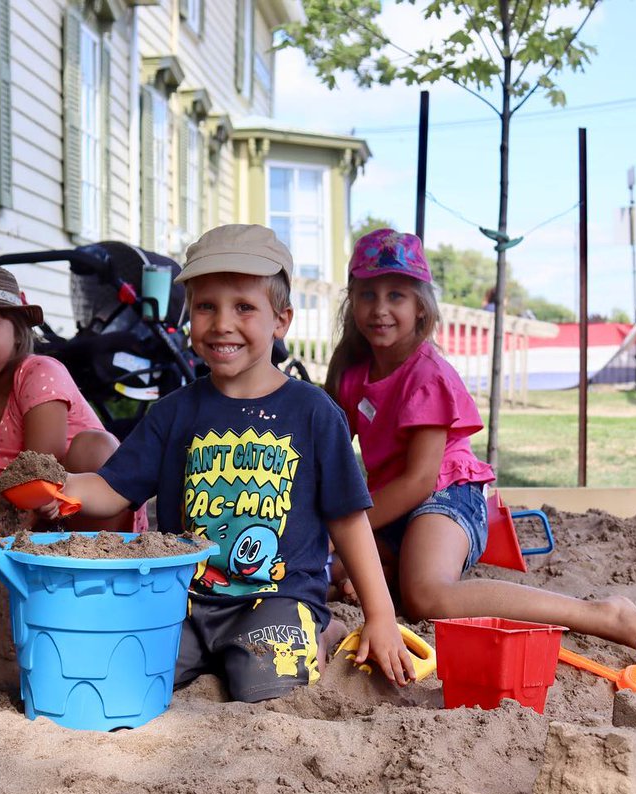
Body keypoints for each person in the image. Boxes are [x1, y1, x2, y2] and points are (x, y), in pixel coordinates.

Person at [59, 224, 416, 701]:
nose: (222, 323)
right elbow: (113, 489)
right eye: (206, 306)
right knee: (126, 672)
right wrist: (62, 487)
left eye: (244, 307)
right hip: (183, 601)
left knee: (267, 688)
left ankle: (319, 629)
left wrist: (381, 617)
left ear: (281, 320)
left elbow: (349, 520)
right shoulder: (173, 412)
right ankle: (249, 644)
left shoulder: (313, 413)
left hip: (276, 599)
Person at [325, 228, 636, 651]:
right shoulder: (351, 373)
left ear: (421, 307)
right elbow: (329, 452)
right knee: (323, 568)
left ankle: (602, 614)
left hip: (444, 495)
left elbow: (420, 481)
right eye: (368, 294)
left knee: (427, 597)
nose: (380, 309)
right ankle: (391, 565)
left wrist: (344, 528)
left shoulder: (427, 375)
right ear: (352, 302)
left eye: (396, 296)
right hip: (388, 503)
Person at [0, 262, 137, 591]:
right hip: (24, 532)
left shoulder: (39, 374)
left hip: (85, 523)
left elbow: (39, 486)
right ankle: (21, 560)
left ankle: (91, 566)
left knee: (96, 446)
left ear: (17, 331)